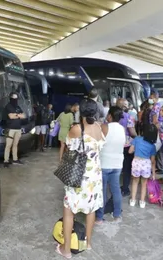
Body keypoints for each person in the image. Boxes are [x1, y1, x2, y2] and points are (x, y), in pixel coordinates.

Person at [55, 99, 105, 258]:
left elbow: (69, 146)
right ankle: (88, 243)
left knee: (69, 211)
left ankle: (67, 250)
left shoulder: (77, 129)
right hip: (95, 176)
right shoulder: (100, 127)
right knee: (91, 210)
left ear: (80, 112)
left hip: (79, 176)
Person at [96, 106, 126, 223]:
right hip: (117, 164)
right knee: (116, 189)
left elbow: (98, 143)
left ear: (110, 116)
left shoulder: (104, 127)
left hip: (104, 163)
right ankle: (117, 214)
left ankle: (99, 217)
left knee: (102, 190)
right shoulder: (122, 129)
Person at [129, 124, 157, 209]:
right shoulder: (153, 146)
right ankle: (142, 202)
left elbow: (130, 151)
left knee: (135, 181)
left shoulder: (137, 139)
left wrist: (135, 149)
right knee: (144, 184)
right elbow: (152, 161)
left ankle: (133, 200)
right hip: (146, 163)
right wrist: (154, 173)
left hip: (136, 162)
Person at [116, 98, 137, 197]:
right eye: (127, 105)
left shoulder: (112, 116)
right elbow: (132, 132)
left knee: (116, 166)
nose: (128, 106)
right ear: (124, 106)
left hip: (115, 144)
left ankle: (114, 186)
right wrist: (138, 138)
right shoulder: (128, 117)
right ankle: (125, 188)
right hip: (127, 146)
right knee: (126, 168)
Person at [3, 92, 25, 167]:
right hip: (10, 129)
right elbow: (11, 117)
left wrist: (16, 115)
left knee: (15, 145)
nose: (15, 100)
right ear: (11, 98)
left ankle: (15, 159)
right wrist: (19, 115)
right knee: (8, 145)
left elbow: (24, 116)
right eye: (14, 98)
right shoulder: (8, 106)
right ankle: (6, 161)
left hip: (18, 129)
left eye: (16, 98)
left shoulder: (18, 107)